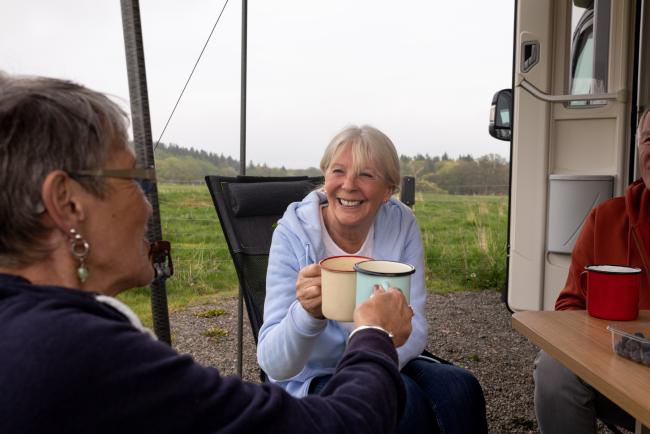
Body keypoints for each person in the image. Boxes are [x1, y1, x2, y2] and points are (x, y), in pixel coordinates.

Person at [0, 72, 417, 434]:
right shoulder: (78, 353)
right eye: (133, 179)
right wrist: (374, 334)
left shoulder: (27, 325)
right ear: (67, 202)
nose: (148, 205)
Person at [257, 125, 488, 434]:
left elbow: (414, 327)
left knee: (461, 389)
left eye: (366, 175)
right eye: (338, 171)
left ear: (388, 190)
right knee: (403, 401)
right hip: (314, 374)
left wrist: (373, 364)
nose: (349, 185)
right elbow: (274, 364)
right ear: (325, 178)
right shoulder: (293, 233)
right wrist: (307, 315)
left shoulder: (400, 222)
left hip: (388, 354)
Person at [534, 108, 650, 434]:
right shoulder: (607, 219)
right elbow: (569, 309)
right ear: (639, 148)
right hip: (622, 368)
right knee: (555, 369)